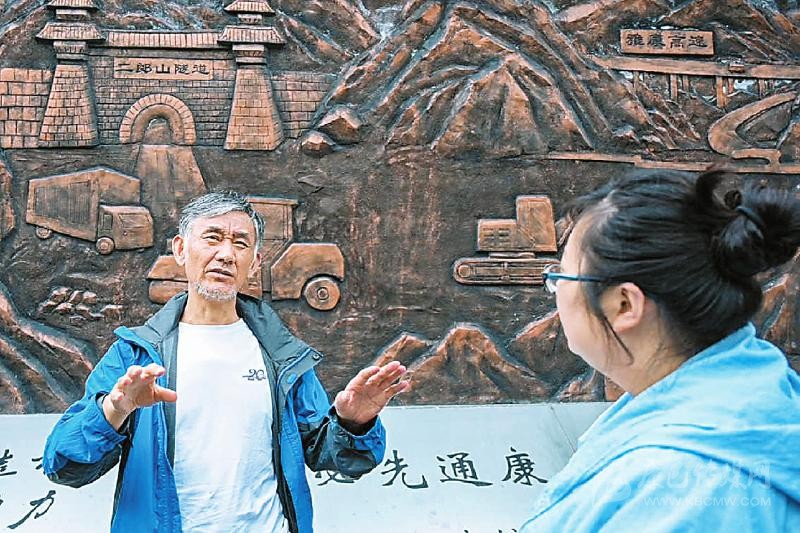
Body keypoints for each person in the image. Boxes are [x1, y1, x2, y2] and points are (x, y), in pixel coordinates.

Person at [42, 191, 411, 533]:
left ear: (255, 262)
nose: (226, 254)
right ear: (181, 249)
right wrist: (114, 410)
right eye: (213, 238)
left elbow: (332, 455)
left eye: (240, 243)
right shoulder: (136, 354)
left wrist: (354, 423)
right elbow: (64, 465)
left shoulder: (280, 354)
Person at [522, 169, 800, 531]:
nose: (556, 290)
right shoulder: (756, 395)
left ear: (624, 304)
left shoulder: (682, 488)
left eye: (562, 276)